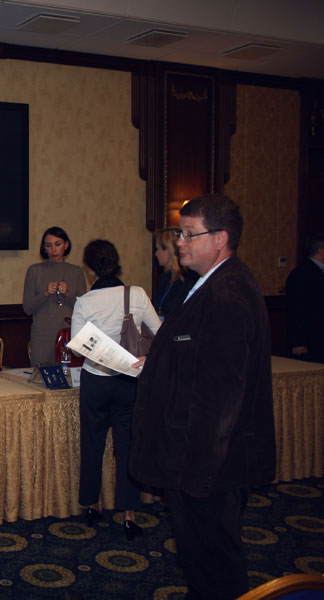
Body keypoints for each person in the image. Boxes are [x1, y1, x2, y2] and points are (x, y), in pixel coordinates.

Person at [131, 195, 276, 600]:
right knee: (200, 558)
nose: (180, 242)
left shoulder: (228, 294)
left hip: (206, 464)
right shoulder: (211, 283)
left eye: (189, 234)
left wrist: (197, 473)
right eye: (181, 234)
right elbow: (198, 355)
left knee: (215, 564)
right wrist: (160, 361)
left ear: (221, 238)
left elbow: (220, 394)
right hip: (198, 459)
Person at [71, 239, 160, 540]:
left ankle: (91, 504)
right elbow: (160, 334)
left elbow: (78, 347)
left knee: (92, 443)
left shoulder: (85, 301)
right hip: (130, 380)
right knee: (128, 446)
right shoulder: (137, 294)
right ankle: (129, 514)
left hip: (96, 380)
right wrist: (146, 359)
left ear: (89, 268)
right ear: (116, 263)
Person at [22, 226, 87, 366]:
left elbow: (84, 309)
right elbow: (27, 308)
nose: (53, 250)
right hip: (42, 336)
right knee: (41, 375)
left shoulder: (76, 272)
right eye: (48, 245)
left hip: (69, 334)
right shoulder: (34, 271)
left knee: (69, 375)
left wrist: (68, 294)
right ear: (44, 248)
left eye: (58, 244)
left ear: (66, 245)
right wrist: (44, 293)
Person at [285, 233, 324, 363]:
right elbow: (296, 308)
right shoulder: (302, 274)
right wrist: (297, 342)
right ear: (321, 251)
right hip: (310, 340)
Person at [152, 227, 198, 321]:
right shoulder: (165, 277)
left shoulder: (189, 279)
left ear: (169, 251)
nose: (156, 254)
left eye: (158, 249)